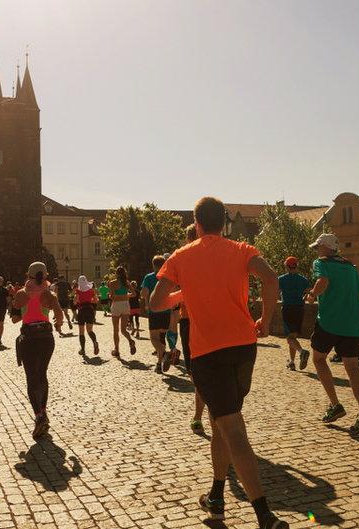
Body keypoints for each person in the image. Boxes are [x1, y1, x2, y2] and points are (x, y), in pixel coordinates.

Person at [150, 197, 288, 529]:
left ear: (197, 223)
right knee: (220, 424)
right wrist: (266, 321)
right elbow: (271, 279)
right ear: (223, 223)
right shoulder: (242, 249)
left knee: (232, 429)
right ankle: (216, 496)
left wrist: (183, 294)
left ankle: (263, 514)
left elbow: (156, 302)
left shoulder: (181, 257)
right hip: (243, 346)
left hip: (209, 351)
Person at [306, 233, 359, 435]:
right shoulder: (350, 267)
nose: (317, 250)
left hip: (328, 322)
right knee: (352, 368)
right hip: (351, 325)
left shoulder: (321, 263)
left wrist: (311, 295)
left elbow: (323, 283)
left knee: (318, 359)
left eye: (318, 247)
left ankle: (335, 404)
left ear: (325, 248)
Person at [10, 262, 64, 440]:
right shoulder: (49, 294)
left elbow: (15, 319)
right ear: (45, 275)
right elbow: (59, 315)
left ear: (28, 275)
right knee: (42, 375)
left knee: (31, 377)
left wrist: (23, 311)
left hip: (29, 339)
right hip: (46, 339)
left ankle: (39, 416)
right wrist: (57, 323)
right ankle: (43, 411)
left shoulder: (20, 294)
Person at [178, 223, 206, 434]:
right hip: (210, 317)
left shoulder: (184, 257)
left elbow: (159, 300)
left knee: (197, 371)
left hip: (190, 318)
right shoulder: (218, 256)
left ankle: (199, 416)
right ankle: (206, 415)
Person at [140, 255, 171, 374]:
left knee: (154, 338)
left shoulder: (149, 277)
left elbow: (143, 293)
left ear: (153, 265)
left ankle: (164, 354)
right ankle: (159, 364)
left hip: (154, 311)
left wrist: (145, 299)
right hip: (166, 311)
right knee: (162, 338)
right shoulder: (168, 277)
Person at [279, 257, 311, 371]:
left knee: (289, 338)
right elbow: (310, 294)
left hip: (288, 308)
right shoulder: (303, 279)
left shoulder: (281, 279)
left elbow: (274, 292)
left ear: (286, 266)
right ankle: (292, 362)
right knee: (292, 336)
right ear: (296, 266)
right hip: (299, 309)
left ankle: (302, 352)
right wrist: (303, 298)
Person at [107, 266, 137, 358]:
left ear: (116, 274)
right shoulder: (127, 282)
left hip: (116, 305)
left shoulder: (113, 283)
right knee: (123, 330)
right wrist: (126, 295)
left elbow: (112, 296)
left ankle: (117, 351)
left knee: (116, 330)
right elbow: (134, 294)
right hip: (125, 305)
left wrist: (109, 295)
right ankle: (130, 340)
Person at [74, 275, 100, 355]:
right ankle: (94, 342)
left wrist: (76, 302)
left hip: (82, 310)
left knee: (81, 331)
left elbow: (75, 300)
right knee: (90, 330)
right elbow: (96, 300)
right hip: (90, 310)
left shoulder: (78, 290)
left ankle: (83, 349)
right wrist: (90, 300)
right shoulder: (91, 290)